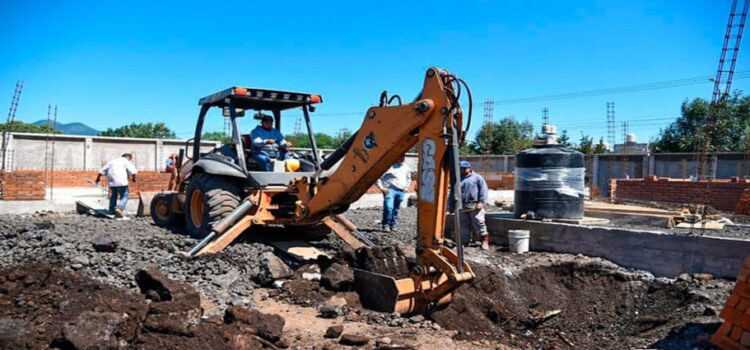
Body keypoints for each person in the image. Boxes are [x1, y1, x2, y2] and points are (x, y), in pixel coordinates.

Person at [449, 160, 490, 250]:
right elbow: (452, 192)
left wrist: (482, 202)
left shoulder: (477, 178)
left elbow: (484, 190)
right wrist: (450, 205)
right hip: (461, 205)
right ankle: (464, 242)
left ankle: (484, 241)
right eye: (461, 169)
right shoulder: (457, 179)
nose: (462, 170)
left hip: (475, 205)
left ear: (470, 168)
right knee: (463, 224)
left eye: (464, 168)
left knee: (479, 222)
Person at [95, 153, 138, 218]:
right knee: (125, 196)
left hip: (112, 182)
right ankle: (119, 208)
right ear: (128, 158)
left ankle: (111, 210)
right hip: (121, 181)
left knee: (113, 195)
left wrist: (97, 179)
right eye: (130, 159)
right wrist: (133, 178)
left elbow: (102, 171)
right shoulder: (125, 161)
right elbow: (133, 171)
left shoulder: (112, 161)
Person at [376, 156, 411, 232]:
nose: (402, 158)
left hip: (401, 190)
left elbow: (408, 178)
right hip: (390, 190)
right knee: (389, 207)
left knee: (396, 209)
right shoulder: (389, 166)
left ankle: (393, 225)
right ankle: (386, 225)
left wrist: (406, 187)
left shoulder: (406, 167)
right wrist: (382, 188)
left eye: (403, 157)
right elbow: (378, 177)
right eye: (400, 156)